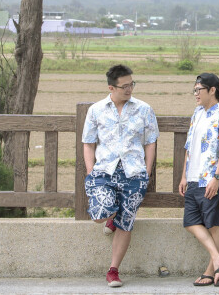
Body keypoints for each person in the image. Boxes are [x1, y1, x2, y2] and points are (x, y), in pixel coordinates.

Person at [81, 64, 160, 288]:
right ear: (111, 88)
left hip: (134, 173)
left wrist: (147, 171)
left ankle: (113, 270)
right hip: (104, 171)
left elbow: (150, 142)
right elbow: (88, 143)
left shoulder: (144, 109)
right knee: (99, 213)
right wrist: (91, 172)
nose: (129, 89)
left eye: (131, 84)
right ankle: (110, 217)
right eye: (124, 86)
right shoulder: (96, 110)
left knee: (126, 222)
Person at [179, 72, 219, 287]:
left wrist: (216, 178)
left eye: (199, 90)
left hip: (212, 180)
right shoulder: (197, 113)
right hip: (193, 178)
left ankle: (210, 272)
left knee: (214, 225)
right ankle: (218, 258)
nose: (195, 93)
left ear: (212, 90)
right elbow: (189, 147)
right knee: (190, 222)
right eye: (194, 90)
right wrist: (184, 175)